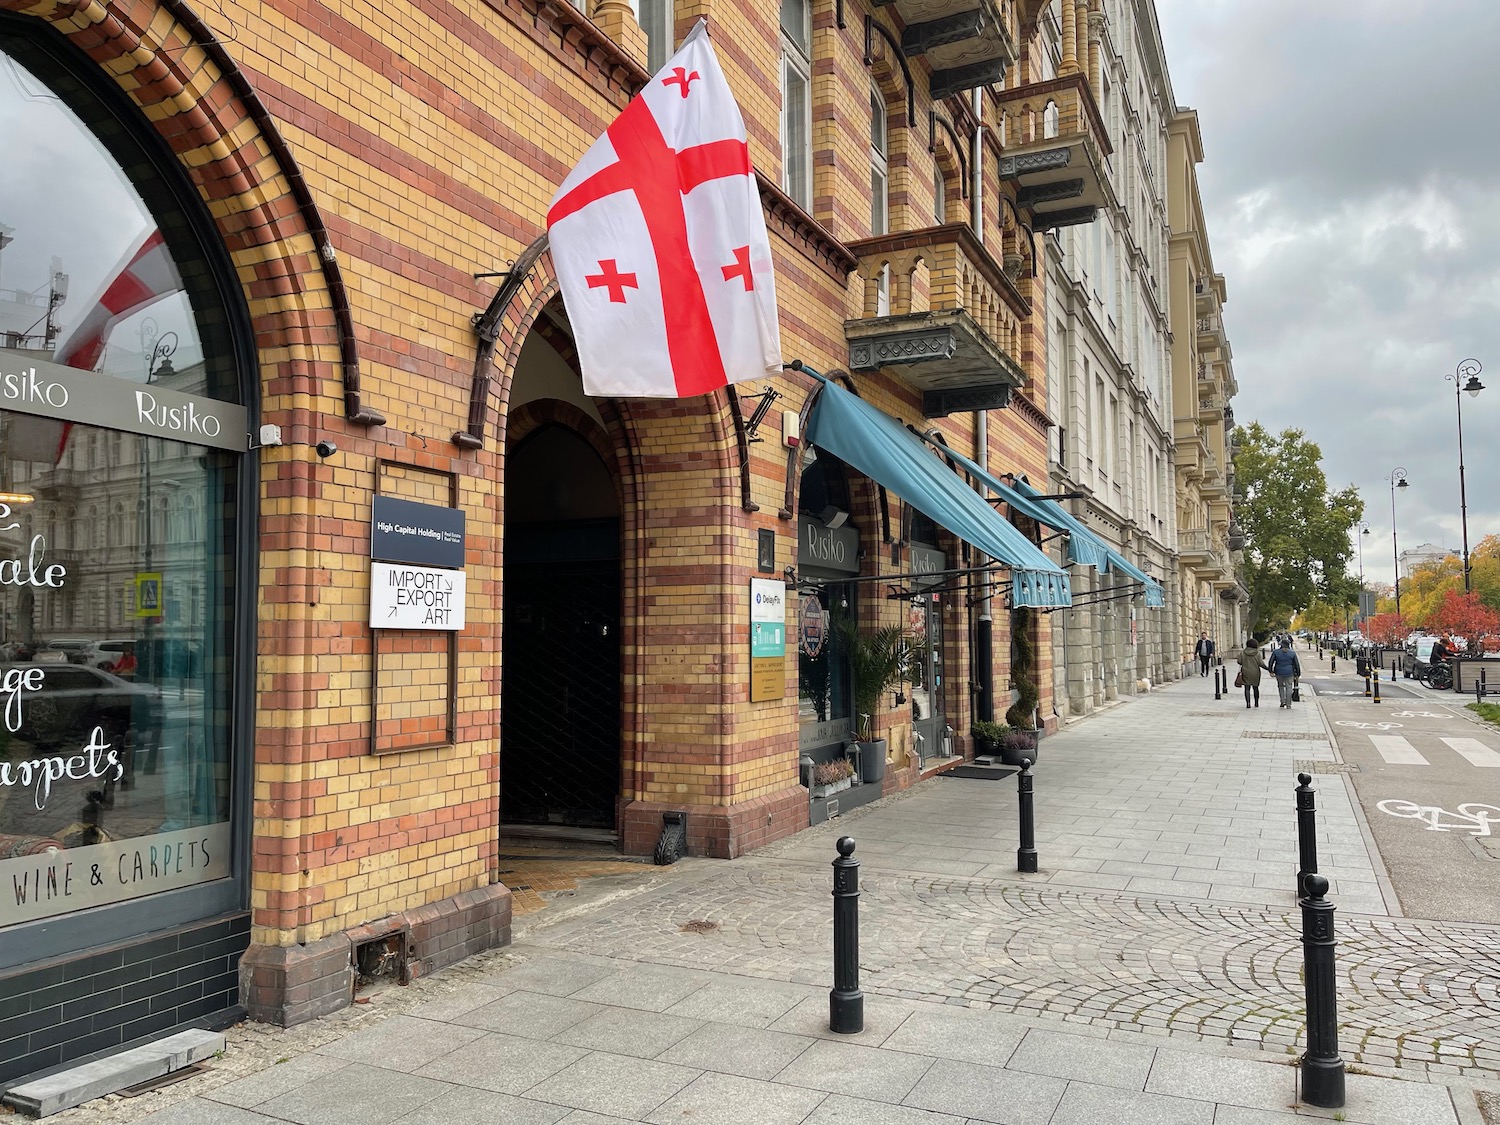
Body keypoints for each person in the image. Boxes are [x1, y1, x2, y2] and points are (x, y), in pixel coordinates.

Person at [1267, 637, 1301, 708]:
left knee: (1281, 686)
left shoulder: (1276, 652)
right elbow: (1296, 664)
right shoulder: (1292, 653)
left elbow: (1271, 662)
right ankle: (1288, 704)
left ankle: (1282, 701)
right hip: (1289, 672)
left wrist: (1271, 671)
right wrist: (1298, 673)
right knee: (1289, 687)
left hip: (1279, 672)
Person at [1237, 639, 1264, 708]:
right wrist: (1269, 669)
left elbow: (1239, 661)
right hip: (1255, 672)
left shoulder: (1243, 652)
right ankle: (1256, 703)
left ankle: (1248, 703)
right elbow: (1261, 663)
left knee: (1247, 688)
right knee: (1255, 687)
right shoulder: (1257, 653)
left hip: (1245, 671)